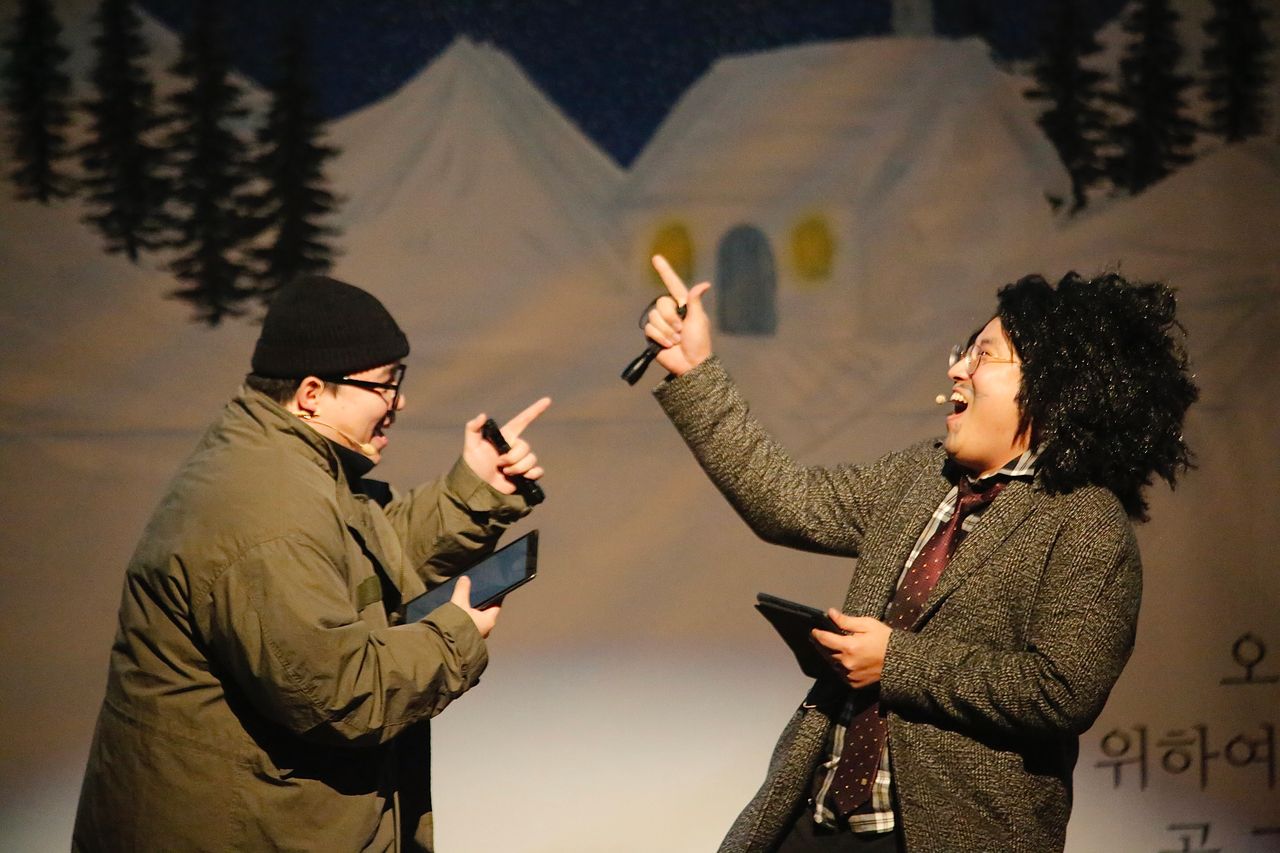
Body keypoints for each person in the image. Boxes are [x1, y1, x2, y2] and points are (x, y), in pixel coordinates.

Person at [640, 256, 1197, 852]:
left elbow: (1060, 689)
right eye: (964, 352)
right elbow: (786, 500)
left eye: (983, 356)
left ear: (1054, 386)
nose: (957, 368)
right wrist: (695, 370)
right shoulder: (918, 476)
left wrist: (896, 662)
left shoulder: (1084, 522)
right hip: (815, 821)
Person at [73, 275, 549, 852]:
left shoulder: (290, 465)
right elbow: (337, 692)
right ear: (312, 394)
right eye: (385, 384)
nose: (398, 402)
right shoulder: (264, 509)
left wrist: (473, 491)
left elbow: (363, 564)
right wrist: (453, 638)